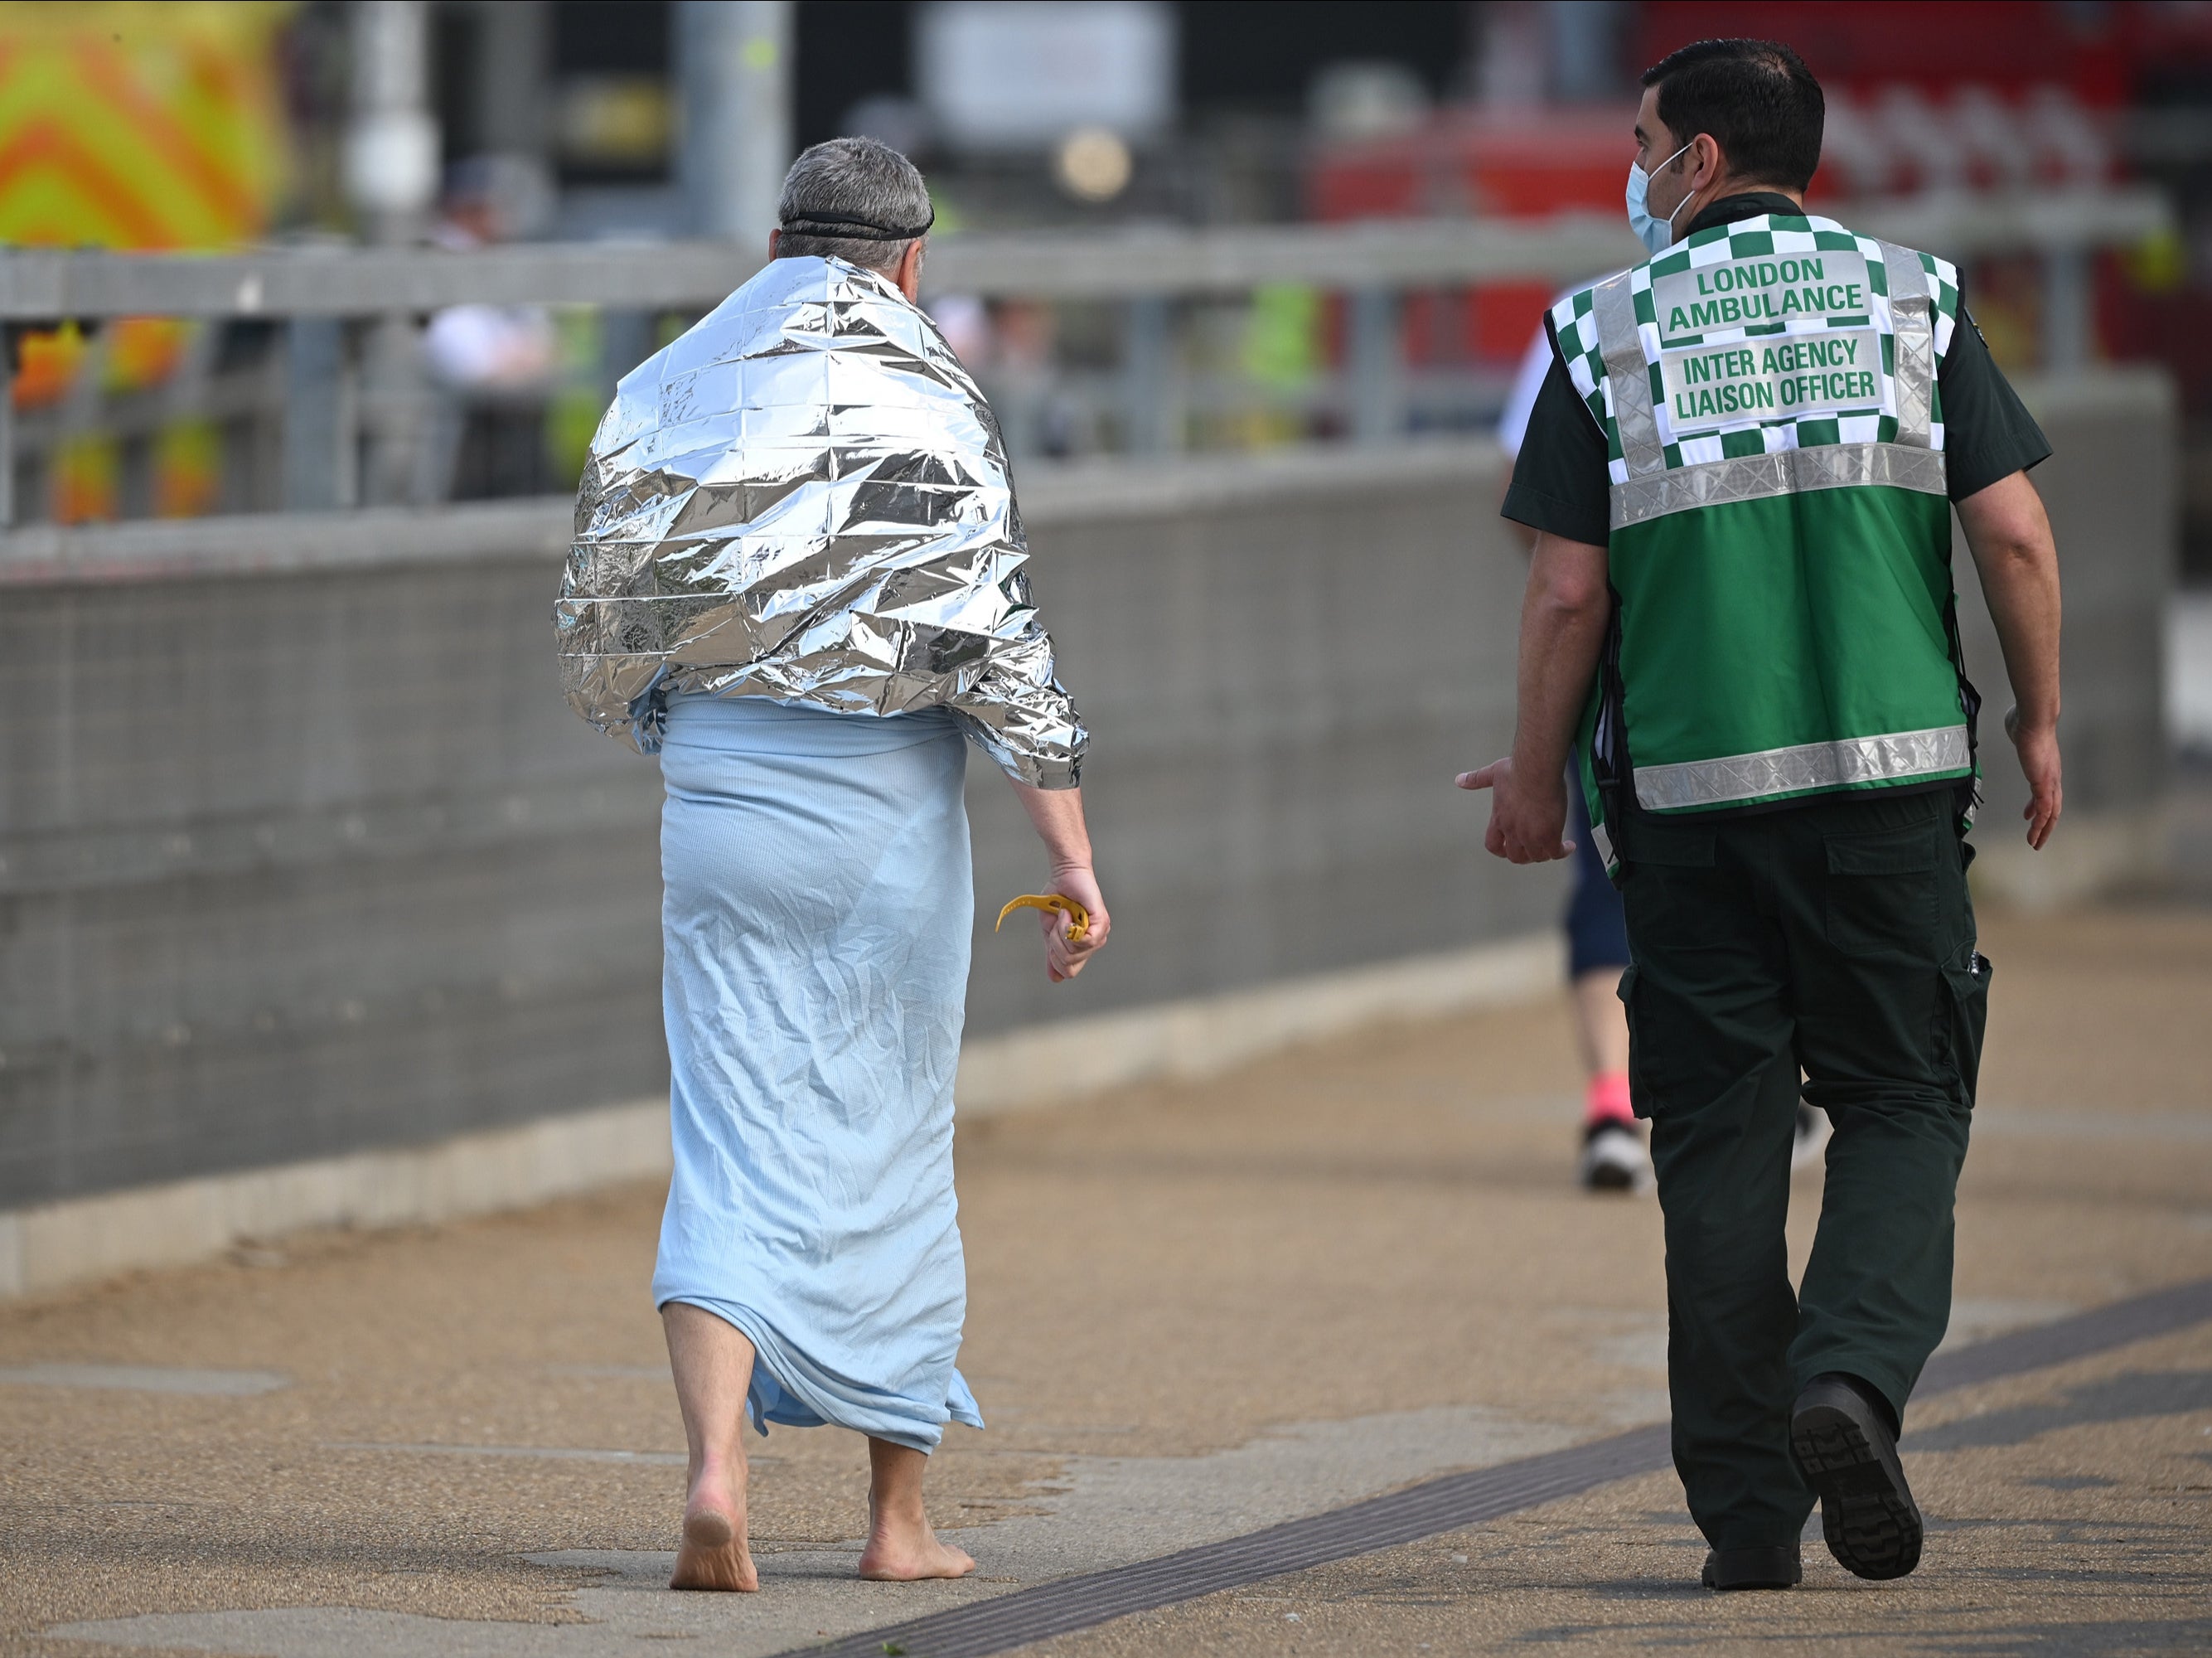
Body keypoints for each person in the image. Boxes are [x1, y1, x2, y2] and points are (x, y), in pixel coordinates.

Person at [1460, 39, 2061, 1592]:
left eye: (1643, 141)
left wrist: (1531, 781)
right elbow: (2008, 532)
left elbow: (1563, 589)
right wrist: (2046, 722)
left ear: (1701, 161)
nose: (1633, 167)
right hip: (1890, 794)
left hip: (1686, 810)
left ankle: (1743, 1527)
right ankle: (1845, 1382)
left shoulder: (1601, 330)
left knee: (1716, 1145)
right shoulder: (1912, 299)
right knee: (1902, 1097)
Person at [554, 136, 1110, 1593]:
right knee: (888, 1148)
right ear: (913, 259)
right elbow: (1000, 650)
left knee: (728, 1139)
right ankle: (892, 1524)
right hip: (881, 822)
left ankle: (715, 1474)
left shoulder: (668, 380)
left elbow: (603, 615)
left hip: (719, 799)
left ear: (779, 240)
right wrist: (1069, 858)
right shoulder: (936, 393)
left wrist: (682, 739)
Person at [1498, 320, 1829, 1192]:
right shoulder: (1807, 310)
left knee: (1613, 885)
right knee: (1766, 878)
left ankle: (1610, 1106)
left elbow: (1530, 513)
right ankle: (1767, 1083)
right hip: (1779, 663)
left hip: (1624, 662)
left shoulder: (1583, 327)